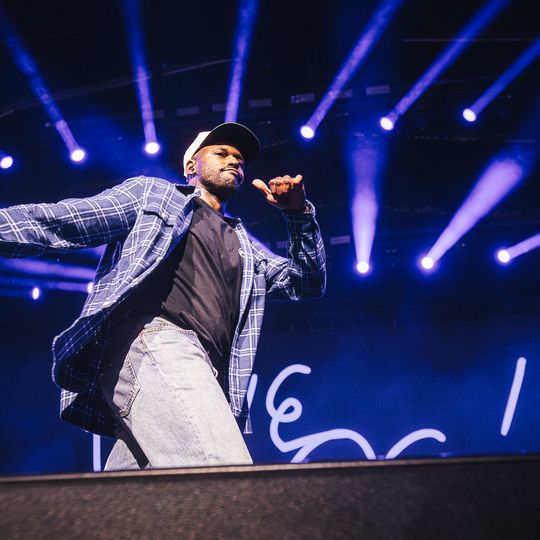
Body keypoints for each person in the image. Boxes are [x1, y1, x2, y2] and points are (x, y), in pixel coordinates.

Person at [0, 122, 326, 470]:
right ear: (192, 166)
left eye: (240, 159)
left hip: (199, 368)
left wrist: (298, 216)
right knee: (226, 476)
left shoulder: (246, 247)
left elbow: (305, 282)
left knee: (143, 501)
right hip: (156, 343)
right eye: (222, 153)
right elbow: (69, 220)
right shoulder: (155, 196)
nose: (234, 161)